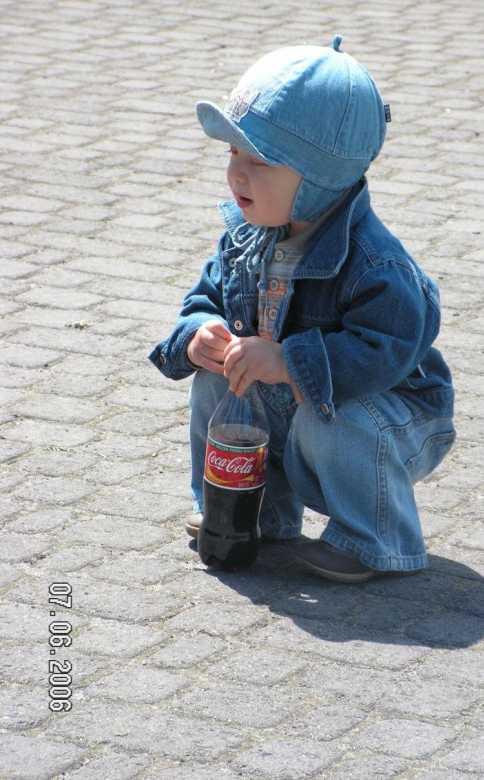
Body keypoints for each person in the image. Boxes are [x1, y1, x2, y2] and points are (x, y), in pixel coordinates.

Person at [149, 36, 455, 583]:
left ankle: (376, 540)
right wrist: (197, 336)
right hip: (298, 404)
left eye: (259, 161)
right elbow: (203, 300)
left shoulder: (374, 264)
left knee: (328, 418)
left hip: (394, 417)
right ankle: (248, 514)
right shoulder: (247, 237)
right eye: (232, 154)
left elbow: (388, 352)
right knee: (219, 379)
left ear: (319, 179)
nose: (237, 174)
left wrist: (288, 360)